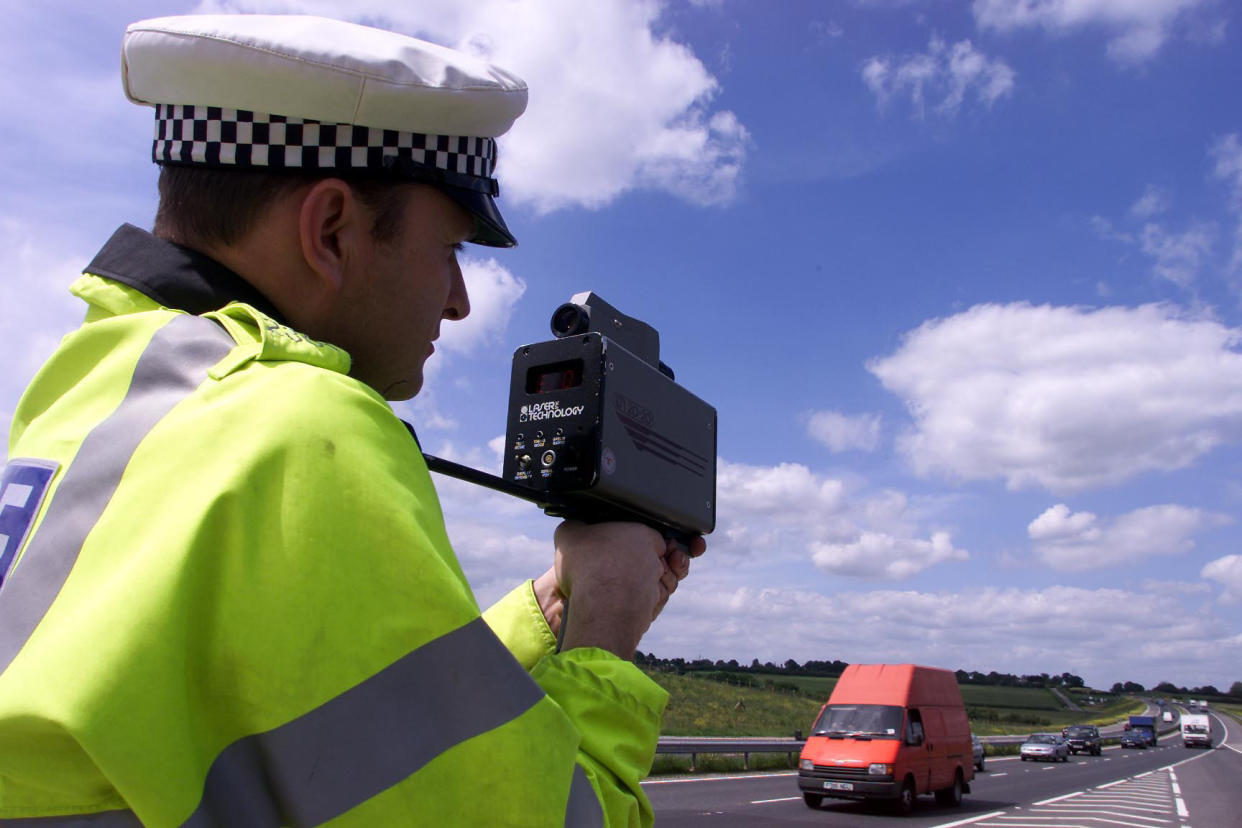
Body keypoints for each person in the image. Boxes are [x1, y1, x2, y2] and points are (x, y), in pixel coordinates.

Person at [0, 14, 703, 827]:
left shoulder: (96, 381)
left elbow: (324, 730)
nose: (459, 301)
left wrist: (542, 615)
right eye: (450, 251)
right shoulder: (299, 432)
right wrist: (602, 636)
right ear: (331, 230)